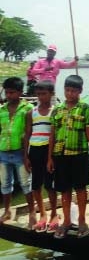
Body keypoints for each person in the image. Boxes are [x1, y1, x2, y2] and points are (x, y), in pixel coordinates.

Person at [47, 75, 89, 239]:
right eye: (67, 90)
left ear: (80, 91)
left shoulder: (85, 109)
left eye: (74, 91)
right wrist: (49, 158)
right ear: (64, 90)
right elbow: (52, 135)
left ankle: (82, 219)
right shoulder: (57, 110)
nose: (70, 94)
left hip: (79, 155)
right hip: (60, 155)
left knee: (81, 188)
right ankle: (67, 220)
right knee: (64, 189)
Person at [24, 80, 60, 233]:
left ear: (51, 94)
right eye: (38, 94)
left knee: (50, 185)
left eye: (44, 94)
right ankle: (43, 214)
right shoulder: (31, 113)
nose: (40, 97)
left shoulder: (56, 111)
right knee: (36, 185)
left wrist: (52, 156)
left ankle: (53, 213)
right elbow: (27, 135)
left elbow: (56, 134)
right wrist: (25, 156)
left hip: (49, 150)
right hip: (35, 150)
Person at [0, 77, 35, 228]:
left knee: (26, 183)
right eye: (7, 92)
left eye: (12, 92)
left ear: (20, 92)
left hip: (20, 153)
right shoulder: (1, 110)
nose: (8, 95)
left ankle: (32, 211)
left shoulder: (27, 109)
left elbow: (29, 132)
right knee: (5, 183)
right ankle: (7, 210)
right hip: (3, 152)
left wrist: (27, 155)